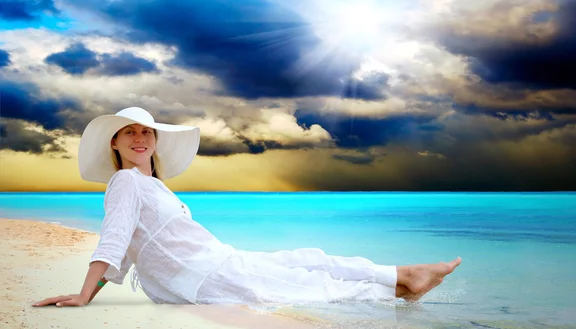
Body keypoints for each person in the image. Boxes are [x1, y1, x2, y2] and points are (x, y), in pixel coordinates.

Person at [33, 107, 462, 308]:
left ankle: (401, 278)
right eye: (129, 133)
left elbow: (126, 251)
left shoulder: (151, 185)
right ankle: (403, 283)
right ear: (115, 142)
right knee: (304, 283)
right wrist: (85, 294)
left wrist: (97, 289)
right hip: (201, 275)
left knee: (305, 262)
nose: (139, 138)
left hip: (212, 263)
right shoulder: (125, 180)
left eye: (146, 131)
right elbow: (116, 239)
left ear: (156, 139)